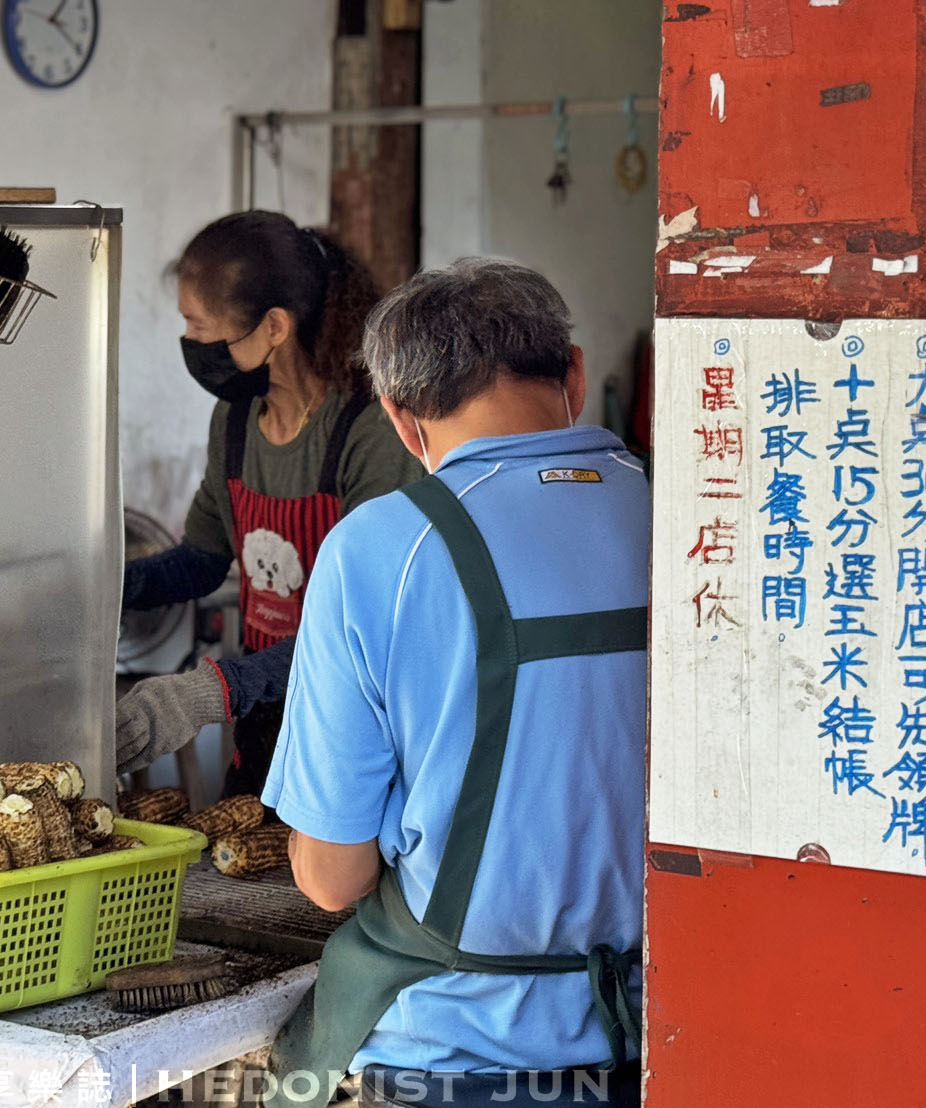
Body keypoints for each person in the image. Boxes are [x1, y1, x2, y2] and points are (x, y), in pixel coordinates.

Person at [261, 260, 647, 1108]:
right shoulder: (693, 516)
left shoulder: (379, 548)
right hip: (672, 1038)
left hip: (458, 1051)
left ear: (401, 420)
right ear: (575, 374)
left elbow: (333, 877)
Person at [116, 211, 421, 796]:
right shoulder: (235, 421)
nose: (191, 344)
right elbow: (203, 560)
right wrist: (107, 590)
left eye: (199, 325)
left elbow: (369, 631)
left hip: (354, 738)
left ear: (275, 327)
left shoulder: (368, 433)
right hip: (264, 730)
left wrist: (212, 690)